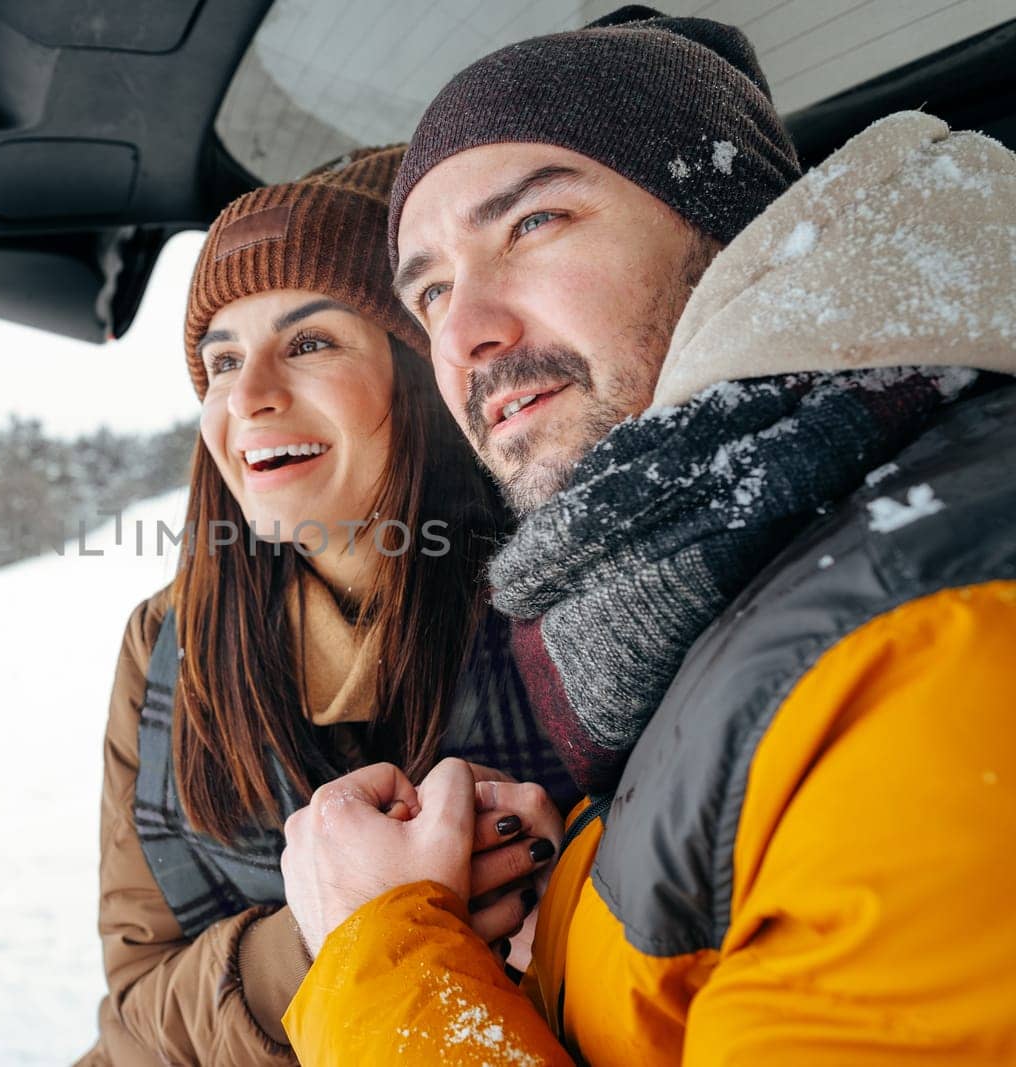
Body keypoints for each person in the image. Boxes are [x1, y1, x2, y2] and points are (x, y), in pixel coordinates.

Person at [278, 7, 1016, 1064]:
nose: (467, 331)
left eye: (532, 224)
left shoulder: (936, 649)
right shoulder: (717, 572)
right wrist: (554, 922)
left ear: (734, 229)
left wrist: (381, 949)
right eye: (430, 288)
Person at [77, 147, 577, 1066]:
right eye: (221, 361)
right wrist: (331, 937)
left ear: (421, 379)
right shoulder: (165, 645)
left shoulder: (577, 602)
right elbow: (139, 1006)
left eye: (309, 343)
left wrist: (561, 889)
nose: (249, 396)